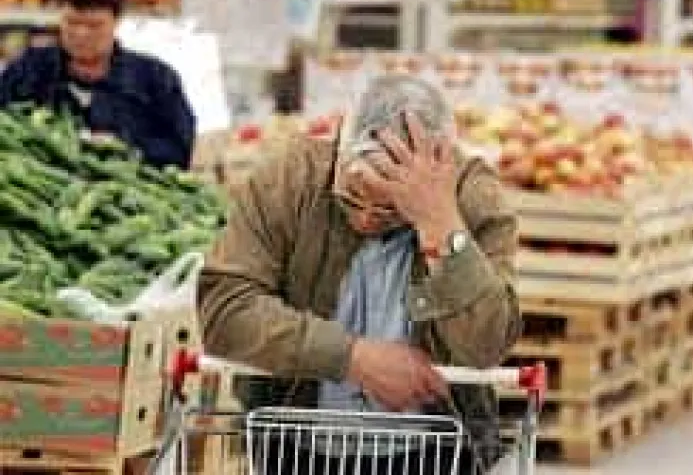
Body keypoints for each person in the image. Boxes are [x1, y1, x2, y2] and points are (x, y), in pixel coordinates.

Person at [197, 76, 524, 473]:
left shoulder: (474, 199)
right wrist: (353, 357)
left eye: (390, 210)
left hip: (437, 451)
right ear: (339, 149)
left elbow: (486, 346)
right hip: (295, 444)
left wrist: (440, 223)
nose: (366, 218)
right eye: (350, 198)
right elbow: (226, 310)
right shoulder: (289, 181)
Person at [0, 0, 195, 169]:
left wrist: (125, 146)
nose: (81, 34)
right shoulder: (27, 71)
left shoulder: (155, 79)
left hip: (128, 186)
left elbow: (180, 150)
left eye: (94, 25)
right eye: (72, 22)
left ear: (116, 21)